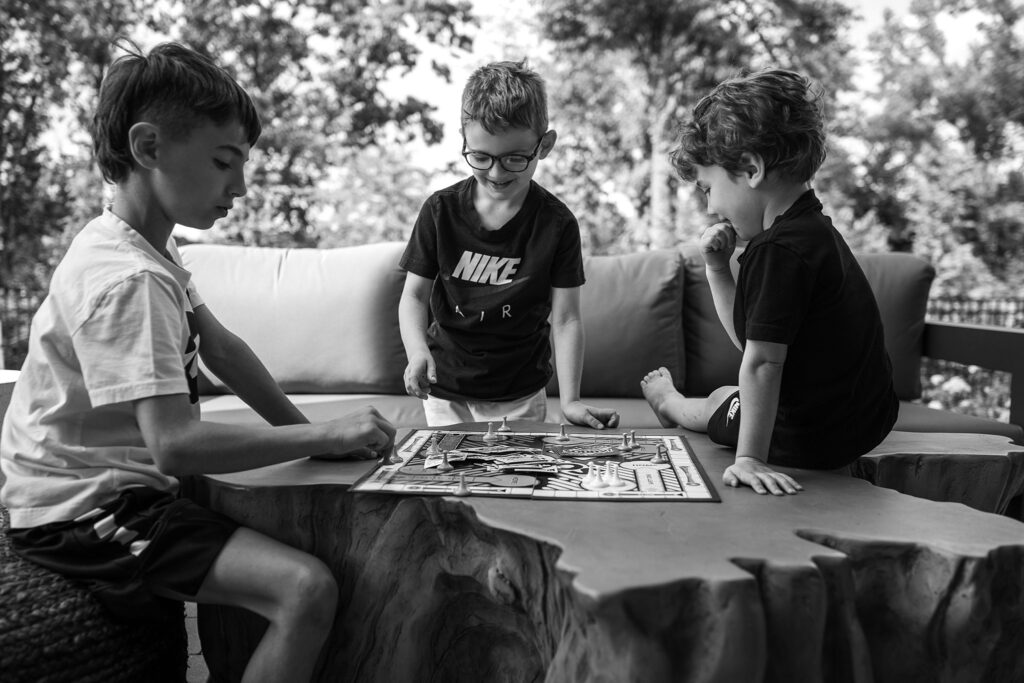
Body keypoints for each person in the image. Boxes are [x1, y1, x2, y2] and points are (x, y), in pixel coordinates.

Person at [0, 42, 395, 683]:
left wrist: (314, 439)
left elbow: (223, 348)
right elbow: (175, 447)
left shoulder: (150, 249)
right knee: (305, 589)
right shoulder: (127, 278)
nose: (239, 187)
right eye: (223, 162)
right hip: (79, 511)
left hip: (109, 489)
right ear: (149, 148)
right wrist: (324, 433)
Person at [641, 68, 898, 496]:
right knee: (735, 389)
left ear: (750, 168)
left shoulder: (776, 251)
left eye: (708, 188)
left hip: (807, 436)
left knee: (716, 402)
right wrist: (719, 269)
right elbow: (754, 341)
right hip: (863, 424)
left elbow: (761, 363)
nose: (710, 208)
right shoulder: (815, 232)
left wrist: (750, 459)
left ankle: (669, 403)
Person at [399, 60, 619, 430]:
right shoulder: (440, 210)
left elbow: (565, 318)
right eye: (481, 157)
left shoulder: (557, 223)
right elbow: (414, 297)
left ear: (544, 145)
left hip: (519, 393)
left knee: (513, 483)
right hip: (444, 387)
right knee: (448, 484)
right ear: (464, 140)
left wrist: (571, 400)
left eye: (515, 158)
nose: (497, 174)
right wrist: (417, 351)